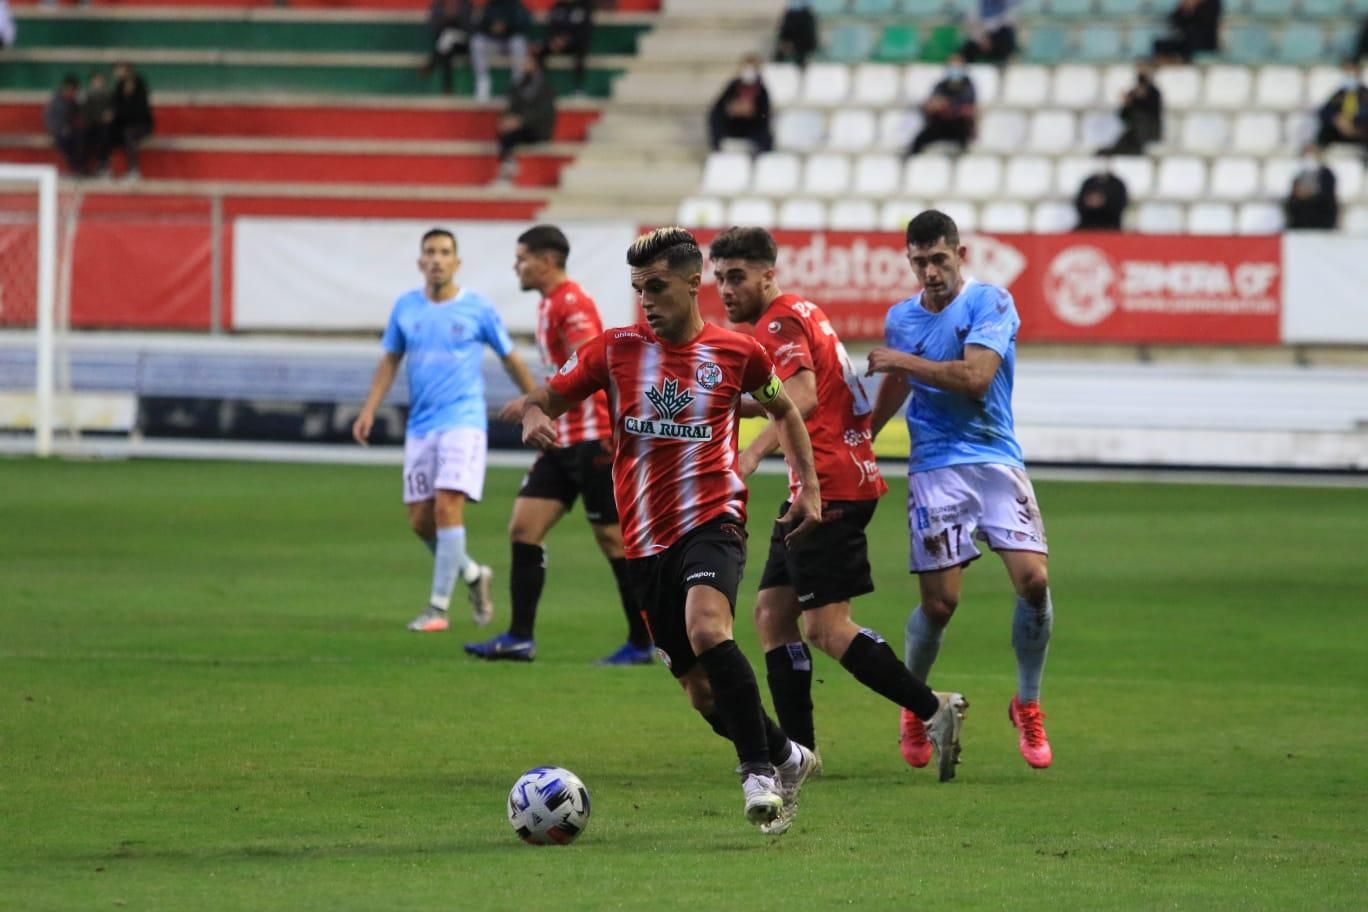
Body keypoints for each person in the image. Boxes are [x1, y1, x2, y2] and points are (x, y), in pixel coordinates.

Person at [520, 227, 832, 833]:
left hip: (714, 520)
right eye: (639, 289)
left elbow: (786, 409)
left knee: (708, 626)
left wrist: (810, 488)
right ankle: (789, 756)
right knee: (701, 693)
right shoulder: (615, 349)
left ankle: (758, 773)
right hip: (645, 543)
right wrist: (534, 415)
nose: (647, 300)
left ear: (694, 285)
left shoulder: (738, 352)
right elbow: (545, 396)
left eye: (657, 287)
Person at [710, 226, 969, 781]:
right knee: (772, 616)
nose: (726, 290)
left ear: (767, 274)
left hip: (825, 487)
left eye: (737, 277)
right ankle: (799, 754)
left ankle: (933, 710)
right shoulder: (802, 310)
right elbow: (810, 392)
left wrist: (751, 454)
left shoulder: (778, 321)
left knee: (827, 628)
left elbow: (800, 395)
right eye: (719, 279)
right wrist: (744, 404)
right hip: (832, 478)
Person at [867, 209, 1055, 773]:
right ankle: (915, 705)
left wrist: (902, 360)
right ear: (909, 260)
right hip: (935, 467)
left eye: (939, 259)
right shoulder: (902, 317)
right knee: (940, 605)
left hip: (995, 456)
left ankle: (1026, 702)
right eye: (919, 261)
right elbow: (898, 385)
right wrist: (864, 440)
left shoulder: (991, 302)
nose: (930, 271)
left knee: (1035, 579)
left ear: (960, 254)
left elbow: (975, 379)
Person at [464, 225, 655, 665]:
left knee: (613, 539)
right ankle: (519, 638)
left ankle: (645, 640)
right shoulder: (551, 303)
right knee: (523, 528)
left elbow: (588, 363)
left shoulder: (571, 303)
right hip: (561, 439)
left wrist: (537, 400)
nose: (517, 267)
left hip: (592, 441)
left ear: (547, 260)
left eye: (522, 258)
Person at [352, 228, 538, 634]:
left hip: (463, 422)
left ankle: (437, 608)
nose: (437, 259)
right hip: (421, 425)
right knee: (421, 520)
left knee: (446, 506)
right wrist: (369, 409)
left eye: (444, 252)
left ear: (457, 262)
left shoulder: (477, 309)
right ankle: (473, 574)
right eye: (430, 252)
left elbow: (510, 359)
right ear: (421, 262)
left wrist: (537, 405)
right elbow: (389, 361)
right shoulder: (406, 307)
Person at [494, 53, 556, 184]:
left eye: (528, 62)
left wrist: (520, 121)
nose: (524, 65)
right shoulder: (519, 84)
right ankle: (508, 170)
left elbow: (543, 113)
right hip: (520, 126)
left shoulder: (545, 87)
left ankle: (507, 174)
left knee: (510, 135)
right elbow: (511, 105)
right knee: (506, 132)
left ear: (536, 65)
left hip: (538, 129)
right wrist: (507, 119)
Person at [907, 54, 976, 156]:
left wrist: (946, 104)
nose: (954, 69)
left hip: (958, 126)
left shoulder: (968, 86)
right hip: (941, 124)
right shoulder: (941, 85)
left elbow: (966, 105)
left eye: (957, 66)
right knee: (919, 140)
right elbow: (932, 102)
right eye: (951, 66)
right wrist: (932, 106)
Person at [708, 55, 773, 154]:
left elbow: (765, 112)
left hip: (753, 128)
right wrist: (731, 108)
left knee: (766, 133)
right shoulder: (733, 86)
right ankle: (718, 148)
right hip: (732, 126)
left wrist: (753, 111)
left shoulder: (761, 89)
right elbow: (719, 106)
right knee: (715, 117)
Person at [1098, 60, 1163, 156]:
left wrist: (1135, 101)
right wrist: (1127, 103)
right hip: (1133, 133)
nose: (1142, 72)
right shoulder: (1133, 93)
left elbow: (1152, 112)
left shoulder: (1154, 92)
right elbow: (1124, 116)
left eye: (1144, 69)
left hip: (1146, 132)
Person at [471, 0, 531, 102]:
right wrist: (491, 27)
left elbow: (525, 24)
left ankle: (517, 83)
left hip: (509, 41)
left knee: (519, 42)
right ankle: (483, 81)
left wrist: (506, 26)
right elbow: (478, 27)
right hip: (492, 41)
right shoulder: (489, 6)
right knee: (477, 42)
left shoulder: (516, 5)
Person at [539, 0, 593, 96]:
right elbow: (550, 27)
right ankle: (540, 85)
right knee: (540, 51)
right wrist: (553, 40)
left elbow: (585, 30)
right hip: (557, 43)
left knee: (581, 52)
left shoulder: (584, 6)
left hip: (575, 44)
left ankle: (578, 87)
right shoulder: (558, 6)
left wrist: (568, 40)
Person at [1315, 59, 1368, 154]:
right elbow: (1324, 111)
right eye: (1347, 71)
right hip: (1341, 132)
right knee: (1324, 133)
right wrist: (1336, 119)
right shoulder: (1339, 94)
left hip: (1360, 131)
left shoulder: (1365, 94)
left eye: (1351, 71)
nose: (1349, 74)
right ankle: (1320, 163)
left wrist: (1355, 126)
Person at [111, 62, 153, 180]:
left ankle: (134, 170)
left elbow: (139, 112)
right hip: (124, 124)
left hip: (141, 125)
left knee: (129, 134)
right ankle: (106, 168)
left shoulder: (139, 85)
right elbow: (115, 106)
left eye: (119, 69)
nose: (117, 72)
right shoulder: (119, 86)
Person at [421, 0, 472, 96]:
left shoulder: (465, 5)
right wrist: (445, 20)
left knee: (448, 36)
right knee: (446, 51)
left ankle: (431, 64)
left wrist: (455, 19)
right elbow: (433, 27)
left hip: (462, 42)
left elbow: (468, 27)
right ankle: (447, 87)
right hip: (444, 40)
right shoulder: (438, 6)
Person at [1284, 146, 1338, 230]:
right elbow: (1292, 201)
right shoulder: (1298, 177)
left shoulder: (1327, 175)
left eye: (1311, 154)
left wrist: (1309, 194)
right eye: (1306, 155)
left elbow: (1327, 198)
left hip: (1322, 221)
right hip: (1300, 223)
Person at [1152, 0, 1221, 64]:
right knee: (1159, 45)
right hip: (1186, 41)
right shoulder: (1187, 5)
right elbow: (1175, 20)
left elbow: (1204, 22)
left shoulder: (1213, 3)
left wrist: (1193, 8)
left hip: (1204, 43)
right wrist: (1184, 9)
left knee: (1190, 43)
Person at [45, 74, 84, 174]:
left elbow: (79, 116)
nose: (71, 92)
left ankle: (78, 169)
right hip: (58, 132)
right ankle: (74, 169)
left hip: (72, 132)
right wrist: (58, 130)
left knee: (81, 138)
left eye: (73, 90)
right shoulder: (56, 101)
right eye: (69, 89)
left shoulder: (74, 101)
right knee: (69, 142)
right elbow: (50, 120)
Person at [959, 0, 1018, 65]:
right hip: (981, 39)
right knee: (968, 45)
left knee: (1006, 33)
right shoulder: (980, 4)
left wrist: (988, 36)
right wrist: (981, 38)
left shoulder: (1010, 4)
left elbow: (1007, 22)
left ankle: (1004, 62)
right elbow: (972, 23)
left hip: (997, 40)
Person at [1074, 162, 1129, 231]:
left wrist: (1104, 202)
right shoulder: (1088, 182)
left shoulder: (1117, 183)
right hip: (1087, 226)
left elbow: (1121, 204)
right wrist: (1089, 203)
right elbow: (1079, 202)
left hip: (1111, 227)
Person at [81, 70, 115, 177]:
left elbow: (113, 110)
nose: (99, 82)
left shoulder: (109, 94)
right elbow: (83, 112)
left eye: (101, 80)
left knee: (105, 136)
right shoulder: (85, 94)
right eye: (96, 80)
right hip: (90, 125)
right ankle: (82, 167)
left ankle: (103, 165)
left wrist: (110, 115)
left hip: (105, 126)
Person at [774, 0, 818, 68]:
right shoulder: (792, 13)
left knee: (801, 50)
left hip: (802, 17)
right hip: (794, 16)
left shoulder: (806, 14)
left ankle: (800, 61)